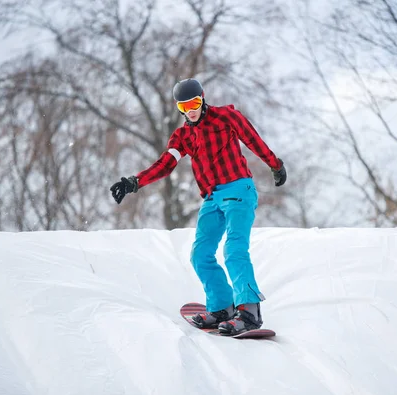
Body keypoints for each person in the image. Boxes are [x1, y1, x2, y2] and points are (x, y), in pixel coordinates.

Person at [109, 78, 286, 335]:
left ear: (202, 99)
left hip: (238, 189)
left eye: (194, 103)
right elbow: (166, 164)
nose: (190, 110)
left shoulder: (227, 116)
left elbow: (252, 139)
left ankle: (249, 311)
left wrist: (275, 164)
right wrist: (134, 182)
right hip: (212, 197)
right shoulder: (182, 136)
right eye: (184, 106)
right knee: (200, 254)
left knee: (234, 249)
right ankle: (222, 307)